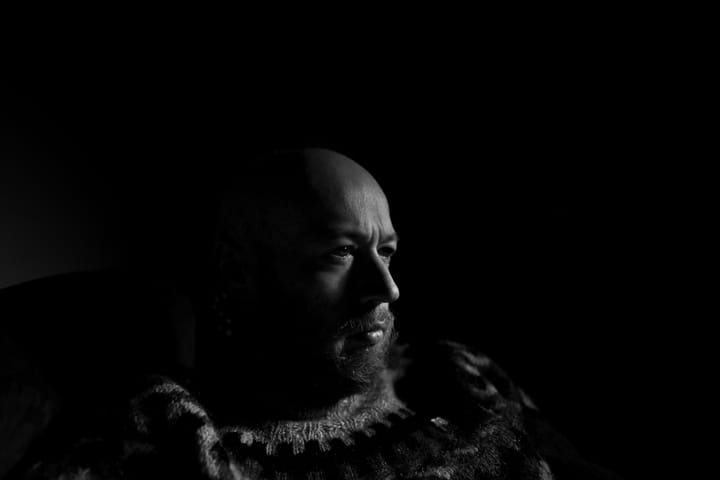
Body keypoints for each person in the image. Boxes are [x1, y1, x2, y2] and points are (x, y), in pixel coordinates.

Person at [8, 148, 620, 479]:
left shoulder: (456, 374)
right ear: (238, 274)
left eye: (386, 251)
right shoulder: (170, 437)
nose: (386, 288)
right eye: (340, 253)